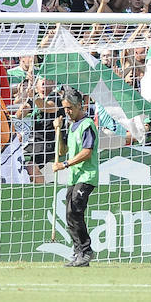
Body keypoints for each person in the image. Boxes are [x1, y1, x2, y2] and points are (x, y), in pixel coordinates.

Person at [53, 86, 97, 267]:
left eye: (70, 108)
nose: (67, 112)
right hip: (74, 177)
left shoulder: (87, 125)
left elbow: (87, 152)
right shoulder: (71, 126)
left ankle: (86, 251)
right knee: (70, 216)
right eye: (65, 108)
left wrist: (65, 165)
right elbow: (63, 151)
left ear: (80, 105)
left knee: (75, 212)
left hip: (86, 176)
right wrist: (58, 131)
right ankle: (79, 252)